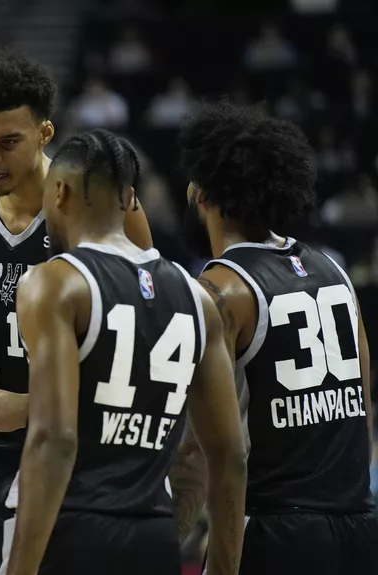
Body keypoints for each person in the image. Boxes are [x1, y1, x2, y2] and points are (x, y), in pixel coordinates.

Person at [0, 48, 154, 575]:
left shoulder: (93, 203)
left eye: (8, 142)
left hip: (82, 455)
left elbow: (144, 335)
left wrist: (28, 406)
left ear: (45, 133)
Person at [2, 129, 247, 575]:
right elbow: (229, 455)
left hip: (74, 530)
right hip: (155, 537)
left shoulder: (55, 283)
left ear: (59, 192)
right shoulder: (197, 297)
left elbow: (55, 439)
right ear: (130, 198)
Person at [172, 101, 378, 574]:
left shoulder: (219, 291)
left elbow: (203, 453)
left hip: (278, 532)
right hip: (359, 526)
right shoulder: (334, 272)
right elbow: (362, 402)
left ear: (200, 193)